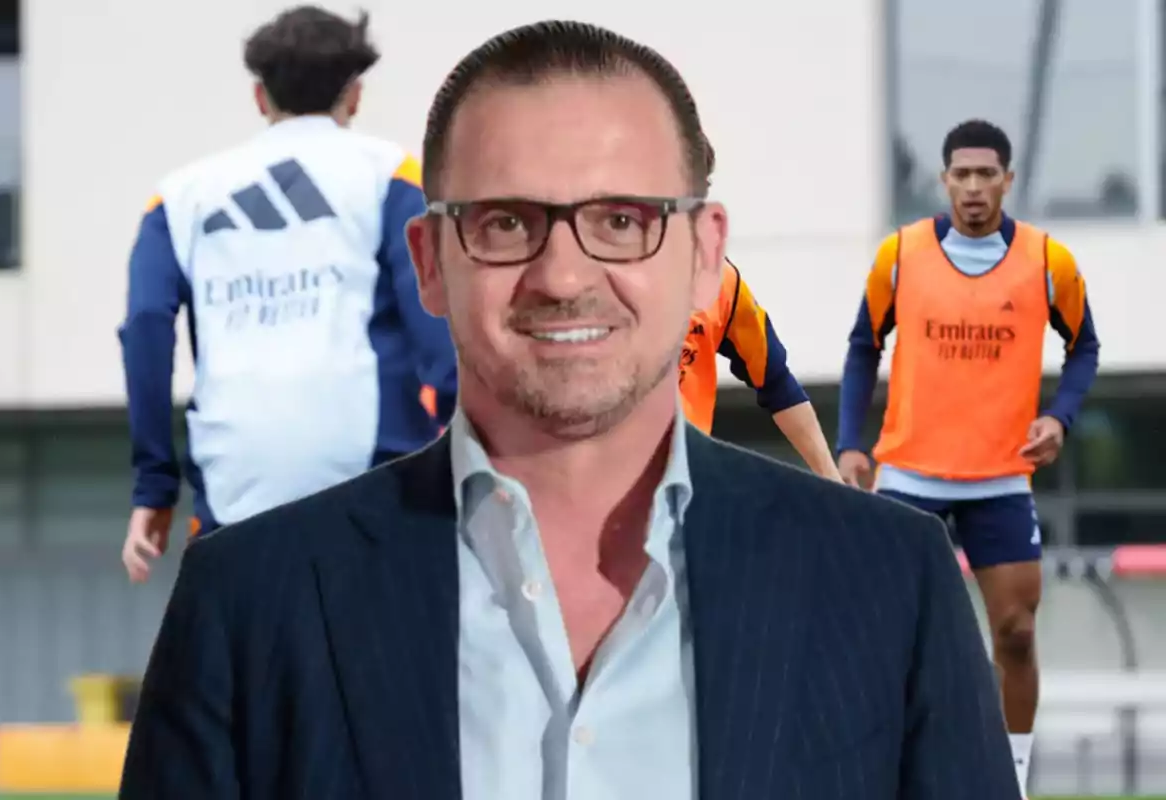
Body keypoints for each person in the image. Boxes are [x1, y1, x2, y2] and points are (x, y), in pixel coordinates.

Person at [120, 21, 1020, 800]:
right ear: (429, 261)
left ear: (706, 252)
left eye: (623, 220)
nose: (563, 276)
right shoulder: (244, 607)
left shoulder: (893, 583)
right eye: (506, 223)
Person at [116, 6, 457, 582]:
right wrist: (465, 435)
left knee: (256, 667)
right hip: (378, 478)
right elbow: (436, 316)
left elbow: (146, 329)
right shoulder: (394, 175)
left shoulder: (177, 198)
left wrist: (153, 488)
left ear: (259, 97)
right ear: (354, 94)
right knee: (378, 667)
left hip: (233, 491)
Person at [836, 119, 1101, 798]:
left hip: (1001, 477)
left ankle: (1009, 779)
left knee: (1014, 633)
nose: (975, 187)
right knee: (886, 636)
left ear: (1008, 181)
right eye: (962, 174)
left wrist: (1059, 417)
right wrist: (850, 446)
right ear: (944, 179)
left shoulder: (1049, 262)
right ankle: (885, 775)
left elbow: (1084, 349)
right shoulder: (901, 255)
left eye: (988, 175)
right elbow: (863, 346)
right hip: (907, 475)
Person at [681, 254, 839, 479]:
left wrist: (832, 480)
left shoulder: (720, 279)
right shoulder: (615, 278)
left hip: (687, 480)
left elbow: (776, 381)